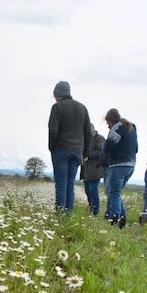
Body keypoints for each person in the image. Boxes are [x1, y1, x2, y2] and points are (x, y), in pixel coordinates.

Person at [48, 81, 91, 212]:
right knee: (70, 185)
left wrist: (52, 147)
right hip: (77, 152)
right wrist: (84, 153)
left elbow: (53, 130)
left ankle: (60, 215)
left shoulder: (57, 107)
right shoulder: (82, 108)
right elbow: (88, 132)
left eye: (54, 95)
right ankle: (68, 214)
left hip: (61, 150)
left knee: (61, 184)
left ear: (57, 94)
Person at [102, 108, 138, 227]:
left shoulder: (117, 127)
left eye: (107, 123)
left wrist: (104, 154)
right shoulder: (131, 128)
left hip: (118, 165)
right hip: (131, 165)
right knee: (116, 193)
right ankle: (122, 216)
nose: (108, 126)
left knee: (113, 192)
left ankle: (115, 218)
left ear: (110, 120)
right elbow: (136, 148)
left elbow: (110, 145)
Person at [81, 122, 105, 215]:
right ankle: (91, 209)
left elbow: (101, 152)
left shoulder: (100, 138)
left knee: (92, 190)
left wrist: (87, 155)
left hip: (96, 169)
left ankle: (95, 211)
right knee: (87, 191)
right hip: (85, 170)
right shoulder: (85, 139)